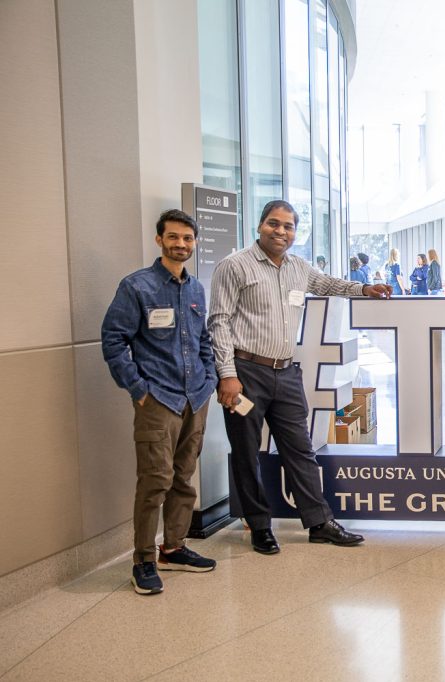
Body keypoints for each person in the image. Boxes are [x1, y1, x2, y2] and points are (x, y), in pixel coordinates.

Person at [208, 200, 391, 555]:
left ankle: (319, 522)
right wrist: (227, 375)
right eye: (274, 224)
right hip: (246, 373)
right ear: (259, 226)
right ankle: (259, 526)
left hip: (287, 372)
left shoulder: (298, 267)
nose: (281, 231)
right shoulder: (234, 266)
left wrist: (363, 289)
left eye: (288, 226)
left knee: (301, 449)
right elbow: (219, 323)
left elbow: (326, 284)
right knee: (247, 452)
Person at [101, 209, 218, 595]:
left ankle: (174, 548)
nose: (180, 244)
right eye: (173, 237)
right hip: (158, 400)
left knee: (183, 478)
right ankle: (144, 561)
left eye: (187, 238)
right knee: (155, 482)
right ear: (159, 240)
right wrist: (138, 389)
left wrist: (210, 378)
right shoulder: (137, 287)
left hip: (195, 398)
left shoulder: (197, 289)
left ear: (194, 242)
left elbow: (203, 340)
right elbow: (114, 341)